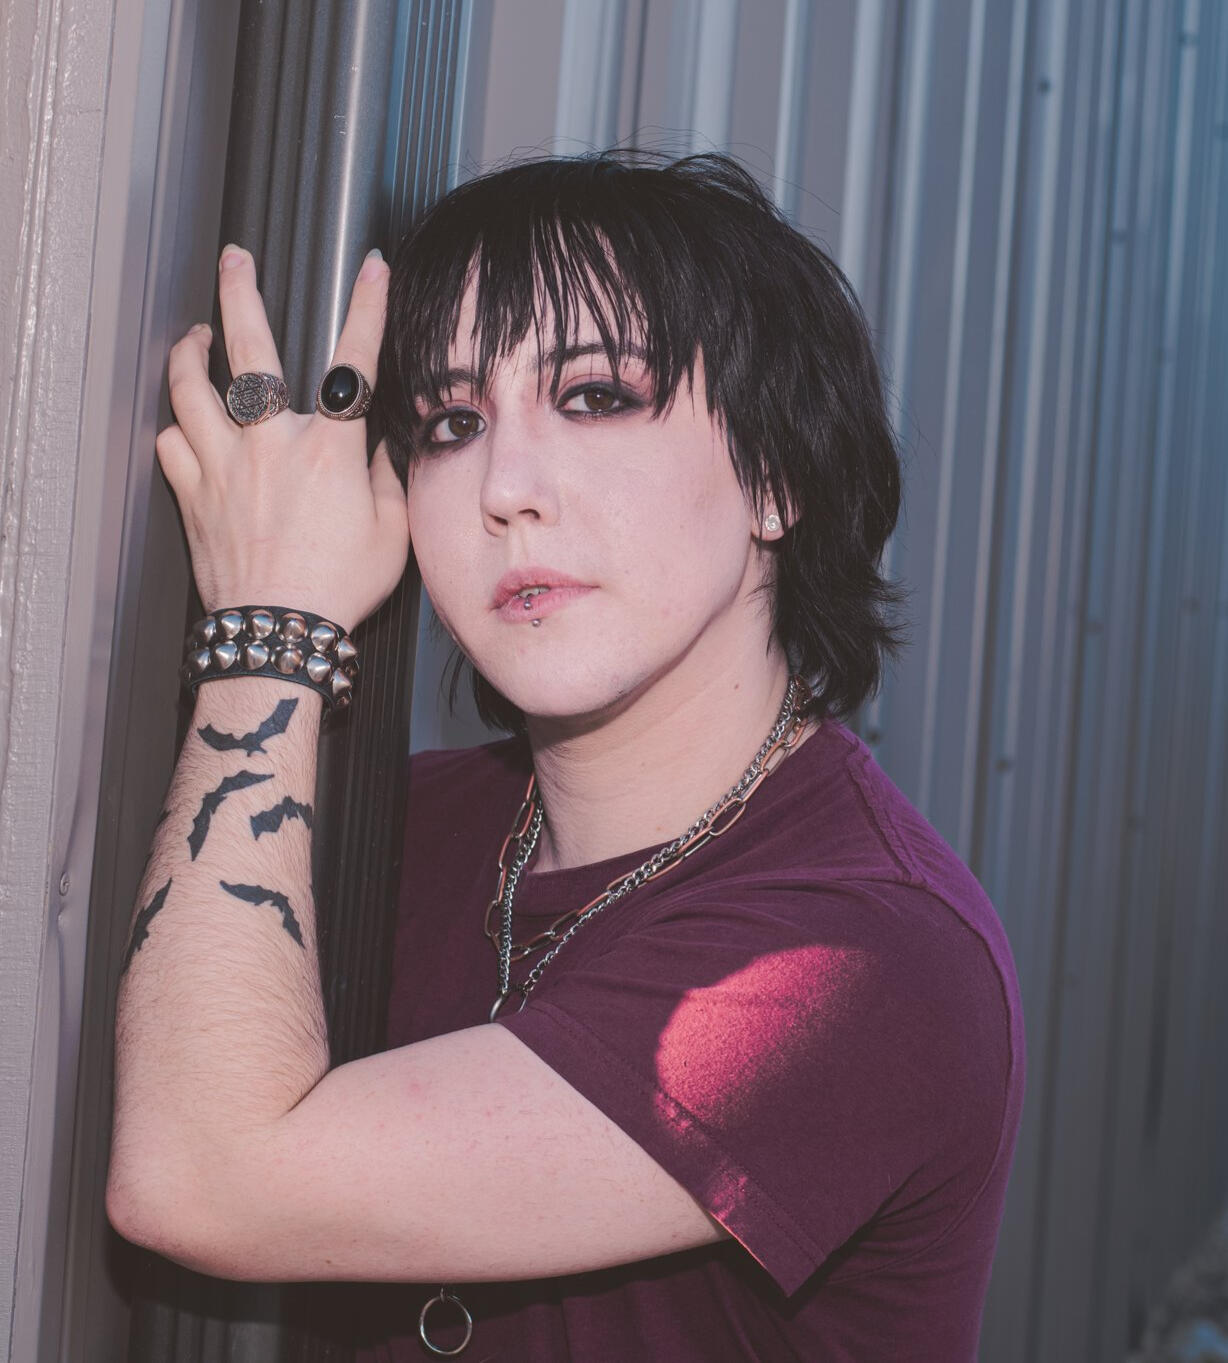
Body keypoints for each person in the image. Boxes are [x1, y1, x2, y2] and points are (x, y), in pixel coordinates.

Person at [107, 151, 1025, 1361]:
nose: (505, 488)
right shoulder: (389, 828)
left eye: (594, 396)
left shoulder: (858, 960)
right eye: (451, 422)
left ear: (775, 474)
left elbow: (202, 1178)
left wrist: (271, 627)